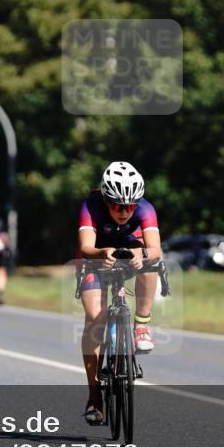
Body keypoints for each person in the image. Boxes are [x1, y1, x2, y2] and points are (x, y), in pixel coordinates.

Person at [77, 161, 162, 425]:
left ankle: (142, 324)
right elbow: (86, 246)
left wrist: (141, 253)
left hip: (129, 252)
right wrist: (102, 253)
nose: (124, 212)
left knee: (152, 264)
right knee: (95, 319)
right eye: (117, 206)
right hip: (96, 257)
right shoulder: (90, 206)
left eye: (131, 206)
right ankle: (95, 397)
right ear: (105, 199)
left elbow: (156, 250)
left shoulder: (146, 209)